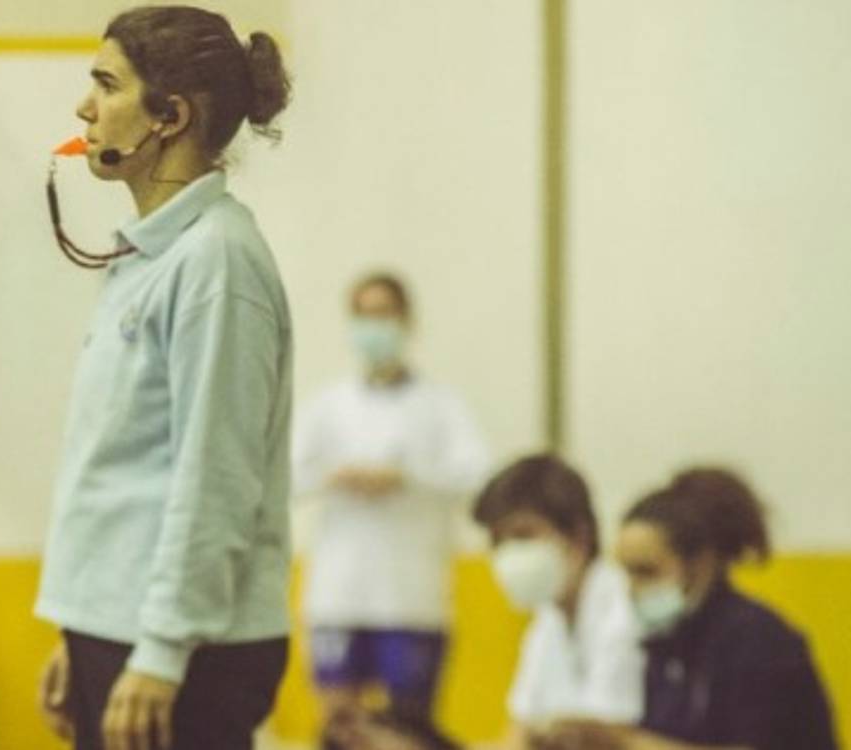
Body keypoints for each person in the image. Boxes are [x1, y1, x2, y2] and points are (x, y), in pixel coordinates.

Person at [32, 6, 294, 750]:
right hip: (123, 626)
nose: (84, 108)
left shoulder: (216, 261)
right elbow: (128, 469)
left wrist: (161, 650)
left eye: (106, 85)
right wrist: (84, 623)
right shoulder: (154, 255)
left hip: (190, 652)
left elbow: (216, 475)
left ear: (170, 116)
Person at [291, 272, 490, 746]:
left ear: (407, 321)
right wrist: (333, 476)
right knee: (339, 728)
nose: (373, 325)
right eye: (363, 314)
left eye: (384, 314)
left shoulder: (441, 406)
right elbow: (282, 476)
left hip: (411, 597)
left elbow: (478, 475)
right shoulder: (327, 405)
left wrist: (408, 476)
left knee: (406, 730)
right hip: (339, 594)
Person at [333, 455, 645, 750]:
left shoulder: (622, 608)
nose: (509, 553)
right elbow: (517, 735)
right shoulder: (548, 621)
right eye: (497, 541)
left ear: (579, 535)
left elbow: (604, 737)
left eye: (524, 534)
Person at [547, 468, 838, 750]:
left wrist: (623, 743)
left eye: (646, 572)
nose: (631, 589)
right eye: (626, 573)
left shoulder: (761, 642)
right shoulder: (661, 644)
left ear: (699, 565)